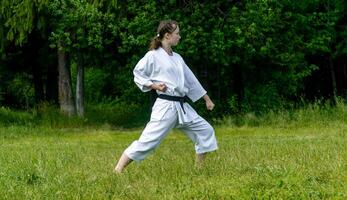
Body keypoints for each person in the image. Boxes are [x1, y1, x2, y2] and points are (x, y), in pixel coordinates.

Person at [114, 20, 218, 173]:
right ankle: (118, 168)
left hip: (182, 107)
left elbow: (191, 80)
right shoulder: (153, 56)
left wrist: (206, 99)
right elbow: (138, 73)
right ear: (168, 36)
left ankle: (199, 170)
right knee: (149, 141)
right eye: (177, 34)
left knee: (205, 131)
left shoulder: (177, 58)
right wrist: (154, 86)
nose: (179, 37)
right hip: (166, 106)